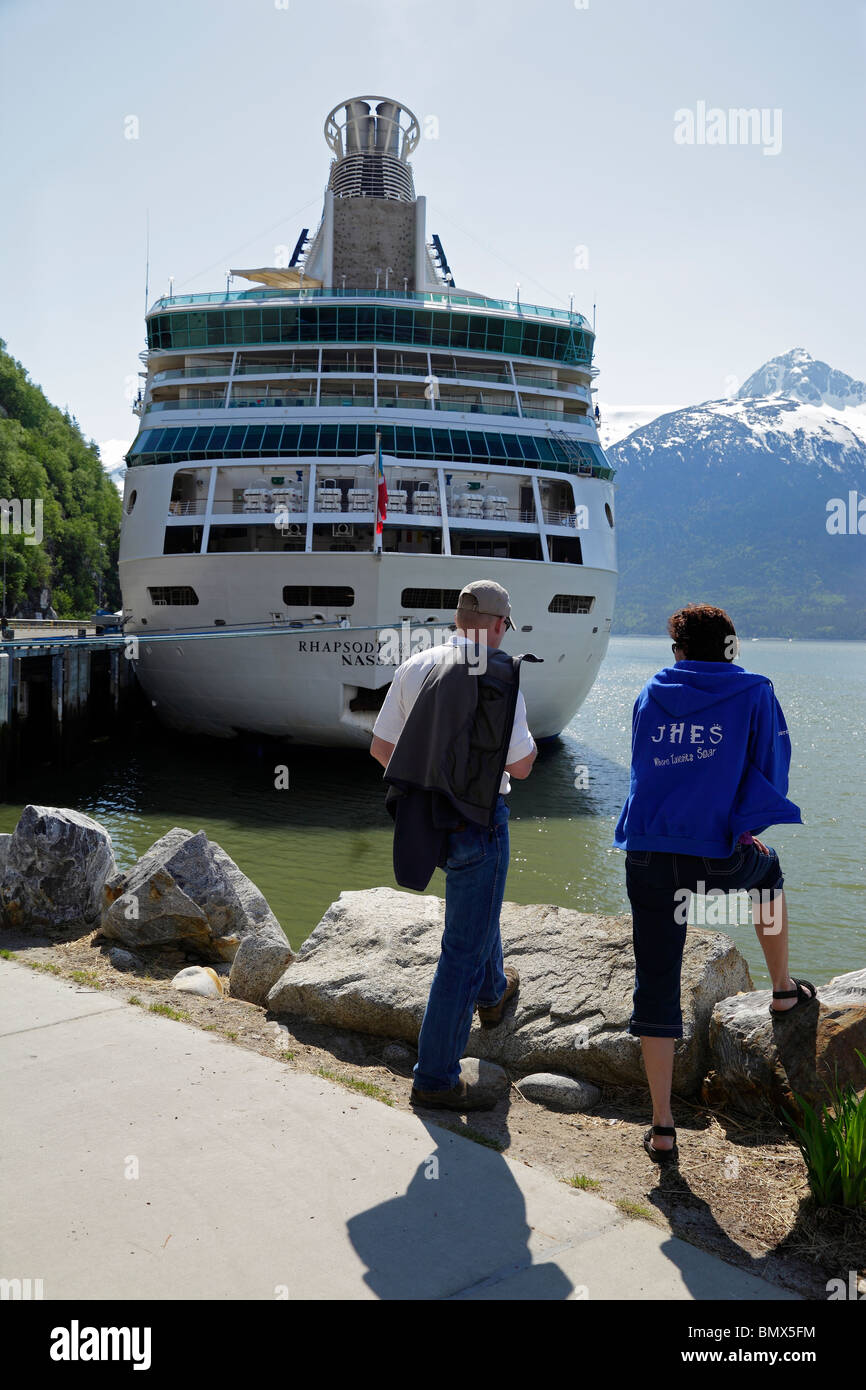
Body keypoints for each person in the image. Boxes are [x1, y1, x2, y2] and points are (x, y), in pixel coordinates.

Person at [614, 604, 813, 1165]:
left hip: (649, 850)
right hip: (717, 853)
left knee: (656, 977)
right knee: (767, 872)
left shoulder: (652, 691)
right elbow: (773, 768)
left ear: (678, 649)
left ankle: (661, 1126)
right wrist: (742, 829)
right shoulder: (754, 690)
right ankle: (782, 990)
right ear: (730, 647)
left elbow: (641, 767)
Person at [370, 580, 537, 1111]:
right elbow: (520, 766)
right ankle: (435, 1077)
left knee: (476, 915)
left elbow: (381, 749)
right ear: (496, 624)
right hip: (480, 825)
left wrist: (433, 787)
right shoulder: (500, 674)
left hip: (426, 822)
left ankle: (494, 995)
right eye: (506, 626)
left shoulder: (417, 665)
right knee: (459, 951)